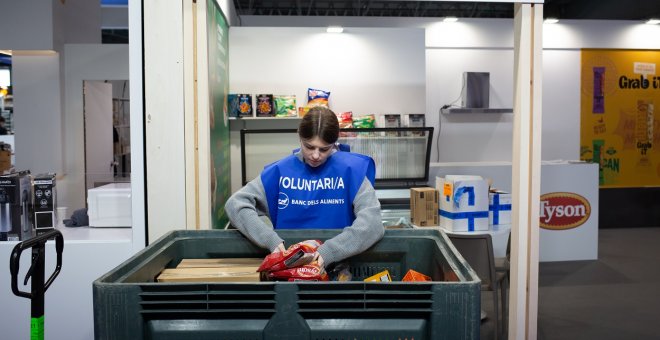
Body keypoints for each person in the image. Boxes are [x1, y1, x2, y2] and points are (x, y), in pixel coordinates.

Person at [225, 106, 384, 269]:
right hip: (290, 269)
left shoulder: (352, 172)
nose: (315, 155)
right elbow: (236, 204)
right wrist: (270, 240)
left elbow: (373, 224)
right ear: (299, 136)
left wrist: (329, 251)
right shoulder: (279, 172)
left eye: (324, 149)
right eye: (309, 146)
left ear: (335, 142)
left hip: (340, 268)